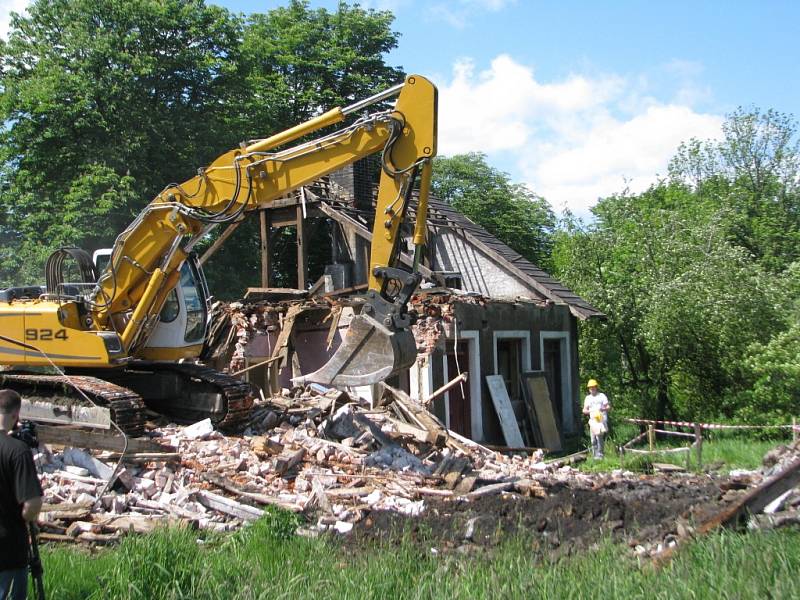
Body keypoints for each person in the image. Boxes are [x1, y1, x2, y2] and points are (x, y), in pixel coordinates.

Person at [0, 389, 43, 600]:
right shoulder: (17, 451)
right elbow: (32, 503)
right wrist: (25, 518)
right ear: (16, 415)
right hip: (8, 549)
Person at [582, 379, 610, 459]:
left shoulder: (602, 396)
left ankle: (600, 455)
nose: (592, 389)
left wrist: (603, 409)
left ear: (596, 387)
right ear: (589, 389)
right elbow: (584, 410)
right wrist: (588, 411)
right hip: (593, 421)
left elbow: (608, 407)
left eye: (593, 387)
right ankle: (595, 456)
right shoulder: (588, 398)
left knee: (599, 437)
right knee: (593, 440)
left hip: (601, 420)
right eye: (590, 388)